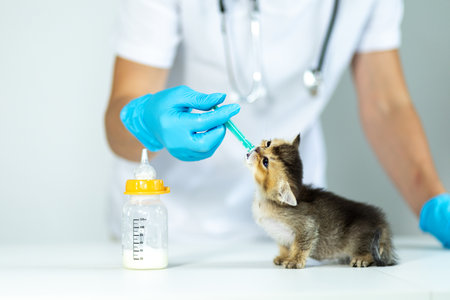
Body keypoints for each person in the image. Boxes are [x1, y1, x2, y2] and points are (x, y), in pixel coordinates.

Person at [105, 0, 449, 247]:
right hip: (169, 230)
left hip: (293, 229)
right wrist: (146, 120)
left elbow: (387, 105)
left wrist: (435, 201)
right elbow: (118, 121)